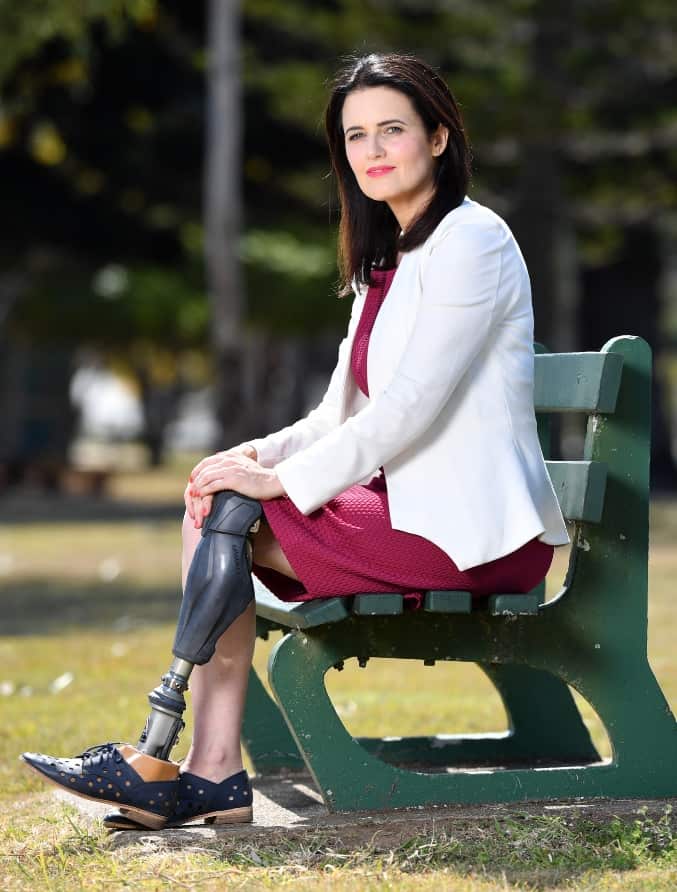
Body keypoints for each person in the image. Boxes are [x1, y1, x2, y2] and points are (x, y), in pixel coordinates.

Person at [21, 52, 569, 829]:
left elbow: (411, 405)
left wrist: (278, 484)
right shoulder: (388, 257)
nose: (372, 151)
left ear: (439, 138)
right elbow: (335, 414)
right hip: (409, 515)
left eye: (391, 130)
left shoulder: (473, 240)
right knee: (215, 501)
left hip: (471, 534)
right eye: (355, 136)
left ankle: (181, 757)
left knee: (233, 513)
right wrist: (253, 457)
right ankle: (206, 768)